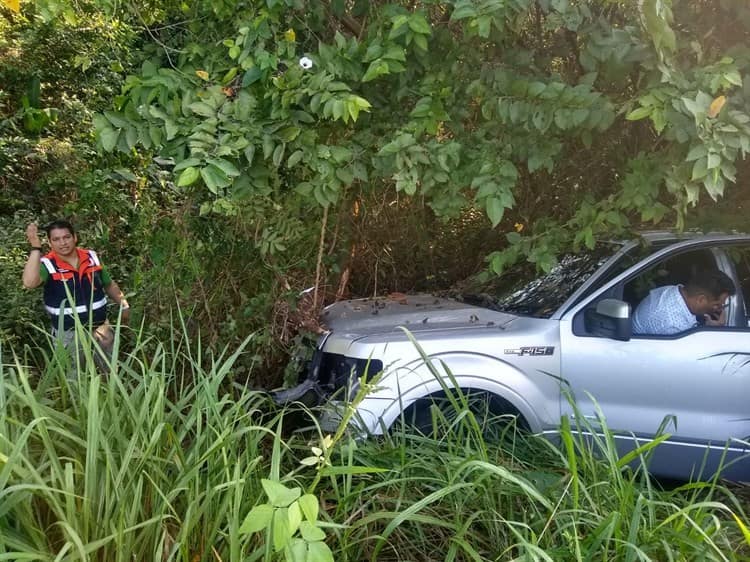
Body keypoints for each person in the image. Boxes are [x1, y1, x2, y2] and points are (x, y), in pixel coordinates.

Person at [22, 220, 130, 370]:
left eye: (66, 237)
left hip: (100, 329)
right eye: (56, 239)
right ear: (50, 242)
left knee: (110, 372)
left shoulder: (91, 257)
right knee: (75, 380)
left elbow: (108, 284)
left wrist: (124, 305)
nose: (63, 243)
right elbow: (29, 282)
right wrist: (35, 247)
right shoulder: (47, 264)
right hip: (68, 334)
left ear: (75, 237)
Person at [632, 269, 736, 335]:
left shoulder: (671, 290)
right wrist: (713, 331)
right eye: (717, 304)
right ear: (701, 299)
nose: (720, 309)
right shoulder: (673, 326)